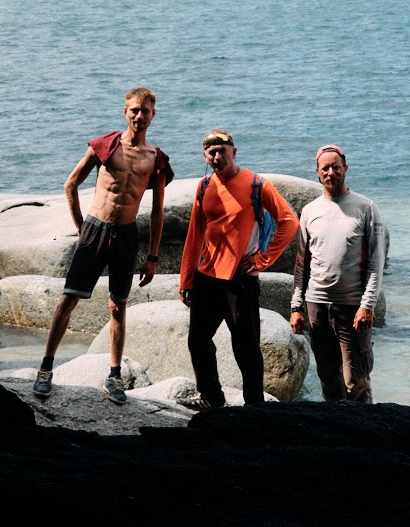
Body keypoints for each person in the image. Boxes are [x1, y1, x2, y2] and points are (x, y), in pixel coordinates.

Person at [34, 88, 173, 404]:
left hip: (126, 235)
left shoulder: (156, 160)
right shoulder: (106, 146)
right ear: (125, 111)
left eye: (146, 111)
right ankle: (45, 369)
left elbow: (156, 211)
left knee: (118, 306)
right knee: (69, 299)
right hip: (95, 230)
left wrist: (152, 255)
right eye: (135, 110)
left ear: (153, 116)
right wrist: (81, 227)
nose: (140, 116)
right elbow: (71, 184)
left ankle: (114, 376)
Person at [180, 129, 297, 408]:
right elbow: (195, 233)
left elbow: (289, 221)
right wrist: (186, 279)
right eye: (211, 152)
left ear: (234, 152)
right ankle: (211, 397)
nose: (217, 157)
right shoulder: (204, 186)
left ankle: (253, 407)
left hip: (240, 280)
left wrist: (261, 261)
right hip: (207, 278)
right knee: (198, 341)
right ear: (205, 155)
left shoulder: (256, 184)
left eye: (223, 151)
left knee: (245, 348)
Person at [289, 145, 385, 403]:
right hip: (317, 307)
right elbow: (302, 264)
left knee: (357, 383)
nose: (331, 172)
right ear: (317, 173)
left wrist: (367, 305)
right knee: (328, 379)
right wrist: (296, 306)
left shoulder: (366, 208)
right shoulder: (310, 211)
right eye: (325, 168)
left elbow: (377, 263)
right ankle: (335, 437)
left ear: (345, 169)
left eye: (336, 167)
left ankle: (364, 438)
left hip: (352, 308)